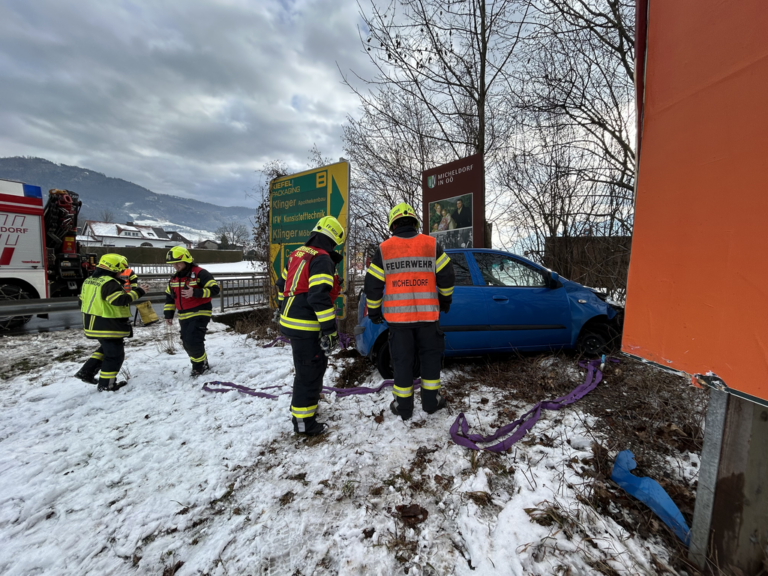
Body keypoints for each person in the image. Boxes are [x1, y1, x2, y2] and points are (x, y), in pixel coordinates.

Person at [364, 202, 455, 420]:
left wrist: (375, 312)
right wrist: (445, 300)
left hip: (399, 321)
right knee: (430, 361)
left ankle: (403, 407)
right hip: (428, 319)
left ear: (392, 225)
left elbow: (373, 286)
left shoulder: (384, 249)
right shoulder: (431, 244)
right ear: (414, 222)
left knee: (402, 362)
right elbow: (447, 276)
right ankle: (431, 403)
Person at [277, 216, 345, 436]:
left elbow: (281, 286)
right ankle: (304, 422)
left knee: (309, 368)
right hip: (306, 325)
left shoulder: (297, 254)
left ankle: (306, 409)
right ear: (333, 240)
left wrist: (283, 308)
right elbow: (318, 298)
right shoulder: (323, 259)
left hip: (291, 321)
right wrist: (330, 330)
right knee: (309, 372)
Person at [74, 254, 148, 391]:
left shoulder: (89, 281)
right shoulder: (109, 283)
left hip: (92, 324)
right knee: (114, 356)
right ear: (113, 268)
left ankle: (87, 372)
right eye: (120, 270)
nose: (121, 273)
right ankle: (107, 385)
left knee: (106, 349)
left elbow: (81, 302)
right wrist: (139, 291)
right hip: (108, 325)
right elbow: (118, 301)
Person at [163, 247, 220, 376]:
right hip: (184, 315)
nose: (175, 266)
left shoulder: (200, 273)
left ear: (187, 261)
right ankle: (201, 362)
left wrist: (195, 292)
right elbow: (170, 298)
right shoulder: (174, 279)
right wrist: (168, 315)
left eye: (178, 263)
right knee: (186, 341)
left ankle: (199, 367)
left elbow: (215, 289)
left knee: (193, 339)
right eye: (173, 264)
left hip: (200, 312)